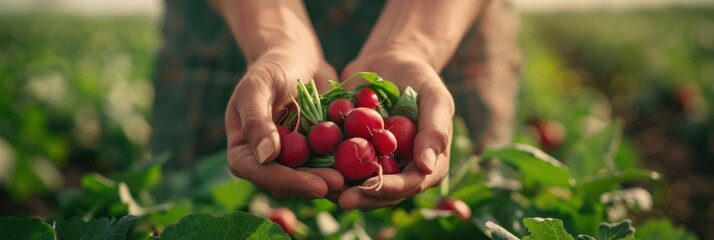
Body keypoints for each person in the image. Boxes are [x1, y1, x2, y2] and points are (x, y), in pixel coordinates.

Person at [151, 0, 520, 211]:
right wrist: (279, 39)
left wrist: (410, 45)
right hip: (232, 26)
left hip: (444, 21)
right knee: (203, 211)